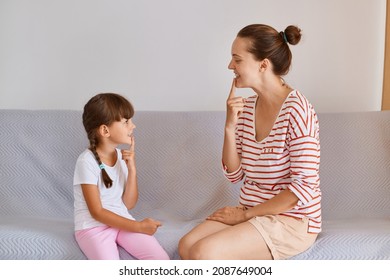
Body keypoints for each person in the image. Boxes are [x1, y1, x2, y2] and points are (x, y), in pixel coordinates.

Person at [178, 24, 321, 260]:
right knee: (187, 246)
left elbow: (302, 188)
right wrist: (230, 126)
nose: (230, 66)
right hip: (253, 212)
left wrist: (244, 215)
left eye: (237, 59)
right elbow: (235, 176)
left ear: (263, 64)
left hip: (291, 220)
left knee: (204, 253)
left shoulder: (298, 111)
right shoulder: (247, 108)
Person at [73, 93, 169, 260]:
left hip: (122, 221)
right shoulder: (86, 161)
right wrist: (138, 227)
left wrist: (132, 169)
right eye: (126, 122)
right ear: (105, 130)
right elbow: (97, 212)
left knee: (161, 260)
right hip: (93, 227)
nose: (133, 126)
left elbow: (128, 204)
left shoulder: (120, 156)